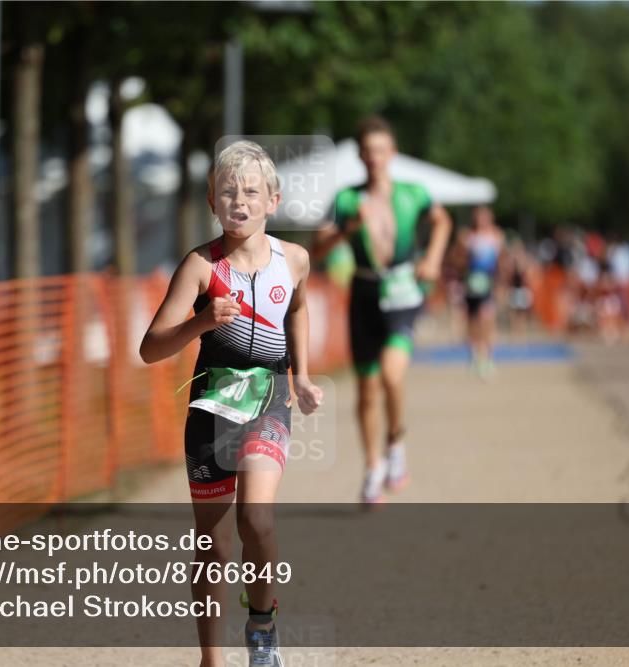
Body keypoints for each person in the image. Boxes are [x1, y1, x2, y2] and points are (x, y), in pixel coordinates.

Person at [140, 140, 323, 667]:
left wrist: (302, 375)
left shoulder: (296, 260)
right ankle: (211, 658)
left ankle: (262, 630)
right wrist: (201, 321)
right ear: (210, 202)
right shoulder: (200, 266)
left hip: (267, 397)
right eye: (226, 191)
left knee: (256, 519)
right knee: (214, 541)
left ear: (273, 200)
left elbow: (300, 308)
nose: (237, 201)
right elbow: (150, 349)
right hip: (211, 408)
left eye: (249, 191)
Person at [312, 116, 451, 505]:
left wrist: (434, 258)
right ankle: (373, 467)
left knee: (392, 375)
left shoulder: (413, 193)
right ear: (359, 154)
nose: (374, 158)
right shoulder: (346, 199)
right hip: (365, 293)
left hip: (404, 291)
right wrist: (346, 230)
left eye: (381, 150)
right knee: (367, 390)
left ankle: (396, 444)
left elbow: (442, 221)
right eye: (368, 151)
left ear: (393, 153)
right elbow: (316, 251)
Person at [461, 206, 504, 378]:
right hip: (472, 284)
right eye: (479, 217)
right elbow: (460, 261)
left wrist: (501, 284)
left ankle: (487, 357)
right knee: (472, 321)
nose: (482, 220)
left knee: (487, 319)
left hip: (489, 283)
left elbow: (501, 262)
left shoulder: (496, 236)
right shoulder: (468, 237)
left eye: (485, 217)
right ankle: (473, 355)